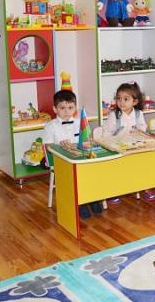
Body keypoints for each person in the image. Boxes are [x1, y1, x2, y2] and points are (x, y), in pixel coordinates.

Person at [44, 90, 102, 218]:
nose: (66, 111)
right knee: (75, 175)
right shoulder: (50, 126)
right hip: (61, 161)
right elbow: (48, 146)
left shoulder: (79, 122)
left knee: (92, 171)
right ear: (55, 109)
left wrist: (90, 141)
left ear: (75, 108)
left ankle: (92, 198)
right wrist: (59, 146)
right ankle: (80, 203)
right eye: (62, 108)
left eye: (70, 108)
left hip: (81, 158)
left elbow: (85, 140)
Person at [102, 82, 155, 201]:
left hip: (134, 147)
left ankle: (145, 187)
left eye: (126, 99)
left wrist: (138, 132)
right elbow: (106, 134)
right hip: (117, 148)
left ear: (134, 102)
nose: (121, 102)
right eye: (119, 98)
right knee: (116, 168)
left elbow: (142, 128)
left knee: (144, 164)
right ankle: (114, 191)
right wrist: (112, 144)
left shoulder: (138, 114)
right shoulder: (114, 115)